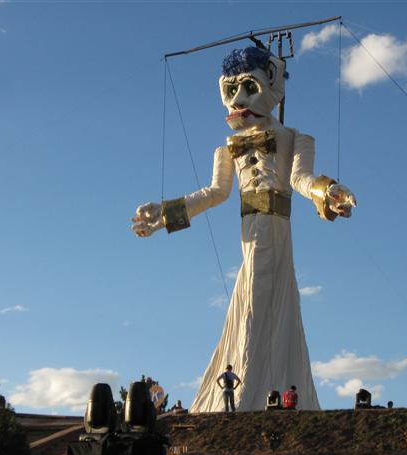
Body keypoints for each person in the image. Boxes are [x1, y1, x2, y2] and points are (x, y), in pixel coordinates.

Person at [132, 46, 356, 412]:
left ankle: (257, 391)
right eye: (230, 90)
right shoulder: (228, 148)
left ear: (272, 82)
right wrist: (164, 214)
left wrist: (326, 191)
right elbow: (215, 193)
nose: (237, 100)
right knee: (251, 297)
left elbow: (301, 179)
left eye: (247, 88)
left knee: (262, 296)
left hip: (275, 227)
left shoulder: (295, 138)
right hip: (248, 232)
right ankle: (247, 388)